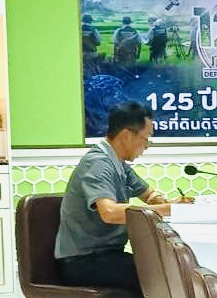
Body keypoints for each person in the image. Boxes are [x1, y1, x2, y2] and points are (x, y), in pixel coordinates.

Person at [54, 102, 191, 296]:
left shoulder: (118, 162)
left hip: (106, 256)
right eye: (146, 139)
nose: (146, 147)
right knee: (159, 276)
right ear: (126, 135)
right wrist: (170, 210)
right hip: (83, 261)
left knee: (164, 268)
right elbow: (109, 212)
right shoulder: (99, 163)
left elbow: (148, 195)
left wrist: (170, 203)